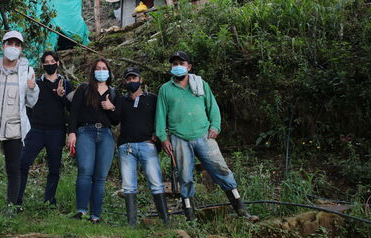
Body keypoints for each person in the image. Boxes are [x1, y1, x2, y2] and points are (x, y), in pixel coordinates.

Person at [155, 51, 258, 222]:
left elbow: (213, 107)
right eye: (174, 64)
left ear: (189, 66)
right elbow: (160, 116)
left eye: (181, 63)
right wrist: (163, 138)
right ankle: (190, 218)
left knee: (221, 170)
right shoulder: (165, 89)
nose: (178, 67)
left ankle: (241, 211)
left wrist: (215, 126)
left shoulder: (200, 84)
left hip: (203, 136)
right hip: (179, 138)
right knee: (185, 177)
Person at [0, 31, 39, 213]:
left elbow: (31, 102)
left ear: (21, 49)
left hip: (14, 127)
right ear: (3, 45)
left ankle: (11, 206)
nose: (13, 47)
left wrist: (33, 88)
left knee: (13, 168)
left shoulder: (27, 70)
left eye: (17, 45)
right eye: (10, 43)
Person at [109, 67, 169, 227]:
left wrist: (159, 133)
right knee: (128, 185)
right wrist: (111, 106)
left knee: (156, 182)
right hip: (126, 146)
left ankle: (166, 222)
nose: (131, 81)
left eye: (134, 78)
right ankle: (131, 224)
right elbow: (115, 120)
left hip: (147, 145)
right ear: (125, 81)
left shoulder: (152, 98)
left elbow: (163, 116)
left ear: (140, 80)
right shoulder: (122, 100)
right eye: (128, 79)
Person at [17, 51, 74, 207]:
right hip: (36, 130)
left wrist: (62, 95)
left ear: (57, 62)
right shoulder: (37, 83)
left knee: (54, 168)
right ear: (42, 65)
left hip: (56, 131)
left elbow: (72, 108)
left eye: (52, 61)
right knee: (23, 163)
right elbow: (28, 103)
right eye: (46, 62)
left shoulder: (66, 83)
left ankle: (49, 201)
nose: (50, 64)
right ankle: (17, 200)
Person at [67, 58, 117, 223]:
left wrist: (112, 108)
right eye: (98, 68)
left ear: (109, 72)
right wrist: (72, 133)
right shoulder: (84, 89)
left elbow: (116, 120)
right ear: (93, 71)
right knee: (85, 170)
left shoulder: (113, 92)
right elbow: (73, 113)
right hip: (85, 132)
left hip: (106, 135)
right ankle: (81, 211)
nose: (101, 70)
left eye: (104, 68)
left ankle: (95, 215)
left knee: (100, 176)